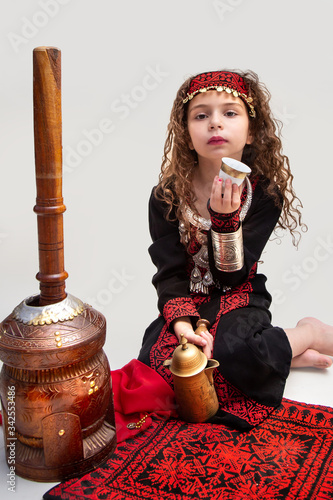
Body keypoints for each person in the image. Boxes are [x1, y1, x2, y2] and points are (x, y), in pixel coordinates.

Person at [138, 70, 333, 430]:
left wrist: (225, 223)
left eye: (230, 113)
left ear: (252, 129)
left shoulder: (265, 193)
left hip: (239, 294)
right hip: (186, 300)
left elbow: (233, 276)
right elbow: (168, 273)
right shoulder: (165, 196)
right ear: (186, 131)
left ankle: (308, 333)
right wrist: (183, 327)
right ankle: (285, 353)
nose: (215, 123)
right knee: (159, 365)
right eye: (201, 115)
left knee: (233, 352)